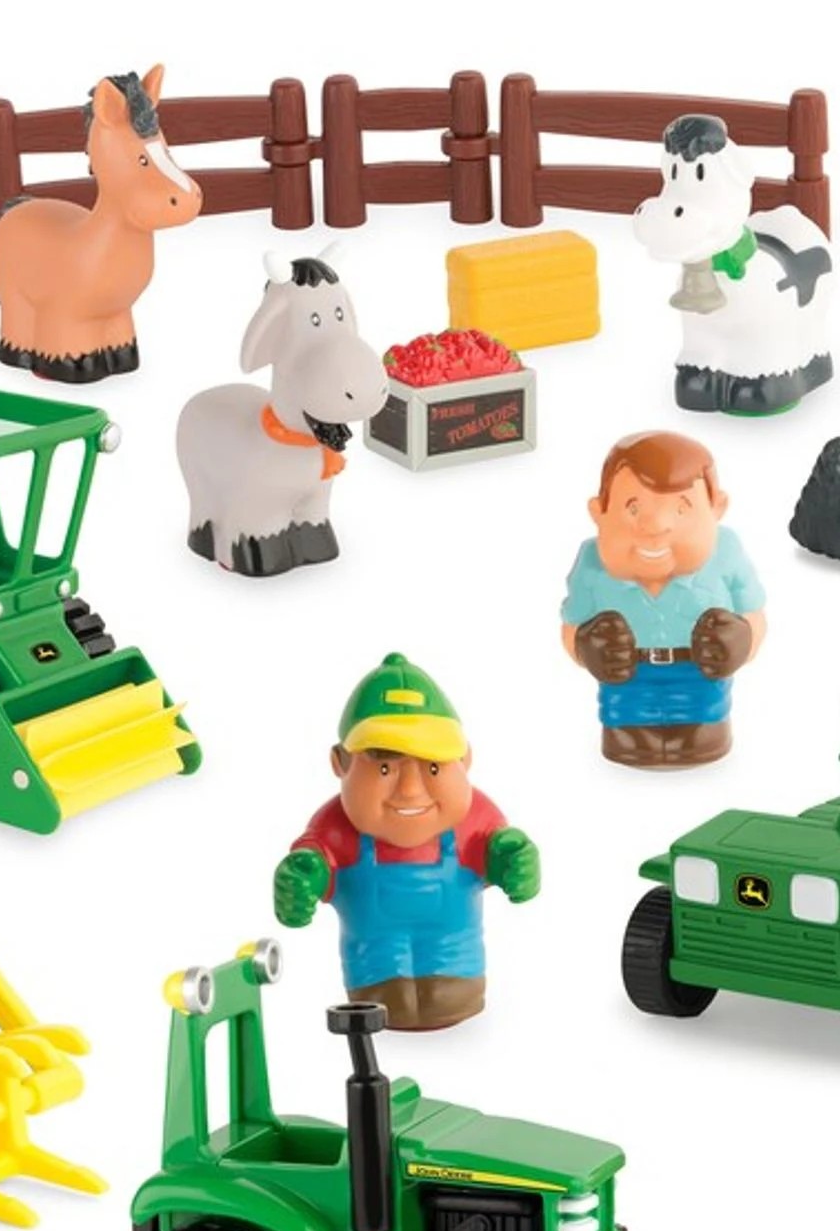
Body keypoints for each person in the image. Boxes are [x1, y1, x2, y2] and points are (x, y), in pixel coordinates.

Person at [273, 652, 539, 1031]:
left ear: (465, 760)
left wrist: (516, 862)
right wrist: (301, 881)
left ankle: (450, 990)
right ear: (340, 763)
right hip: (373, 967)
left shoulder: (475, 819)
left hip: (456, 956)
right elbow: (312, 862)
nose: (412, 789)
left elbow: (499, 850)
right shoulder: (335, 829)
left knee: (450, 993)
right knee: (385, 998)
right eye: (385, 767)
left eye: (432, 766)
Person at [560, 429, 765, 767]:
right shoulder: (592, 562)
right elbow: (571, 626)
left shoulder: (726, 552)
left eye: (682, 509)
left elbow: (754, 614)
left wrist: (740, 641)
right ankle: (631, 733)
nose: (655, 527)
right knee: (629, 737)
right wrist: (587, 648)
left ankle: (701, 730)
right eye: (632, 508)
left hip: (701, 685)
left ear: (716, 509)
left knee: (702, 735)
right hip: (627, 687)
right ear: (599, 512)